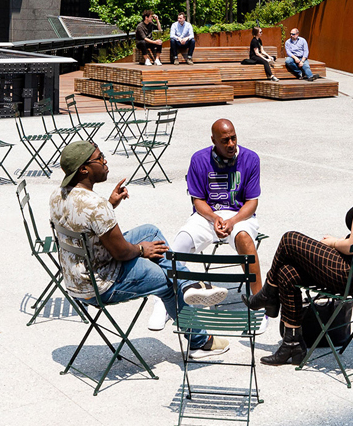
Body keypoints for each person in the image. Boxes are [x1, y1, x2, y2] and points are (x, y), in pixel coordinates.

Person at [50, 141, 228, 356]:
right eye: (100, 158)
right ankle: (200, 341)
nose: (105, 161)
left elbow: (86, 224)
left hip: (77, 277)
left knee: (150, 232)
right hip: (101, 284)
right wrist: (142, 250)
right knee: (167, 280)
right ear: (84, 169)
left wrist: (110, 204)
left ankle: (188, 285)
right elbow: (121, 252)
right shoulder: (96, 205)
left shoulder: (58, 195)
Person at [246, 131, 353, 366]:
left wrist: (332, 242)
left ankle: (269, 294)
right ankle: (292, 345)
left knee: (290, 239)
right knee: (287, 271)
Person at [149, 118, 263, 330]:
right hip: (208, 215)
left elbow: (252, 202)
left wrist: (233, 221)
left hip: (239, 215)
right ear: (214, 141)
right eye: (225, 140)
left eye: (233, 138)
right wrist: (214, 218)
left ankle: (259, 304)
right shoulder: (199, 159)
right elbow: (197, 200)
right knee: (178, 244)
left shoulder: (250, 158)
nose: (231, 144)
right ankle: (163, 302)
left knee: (245, 239)